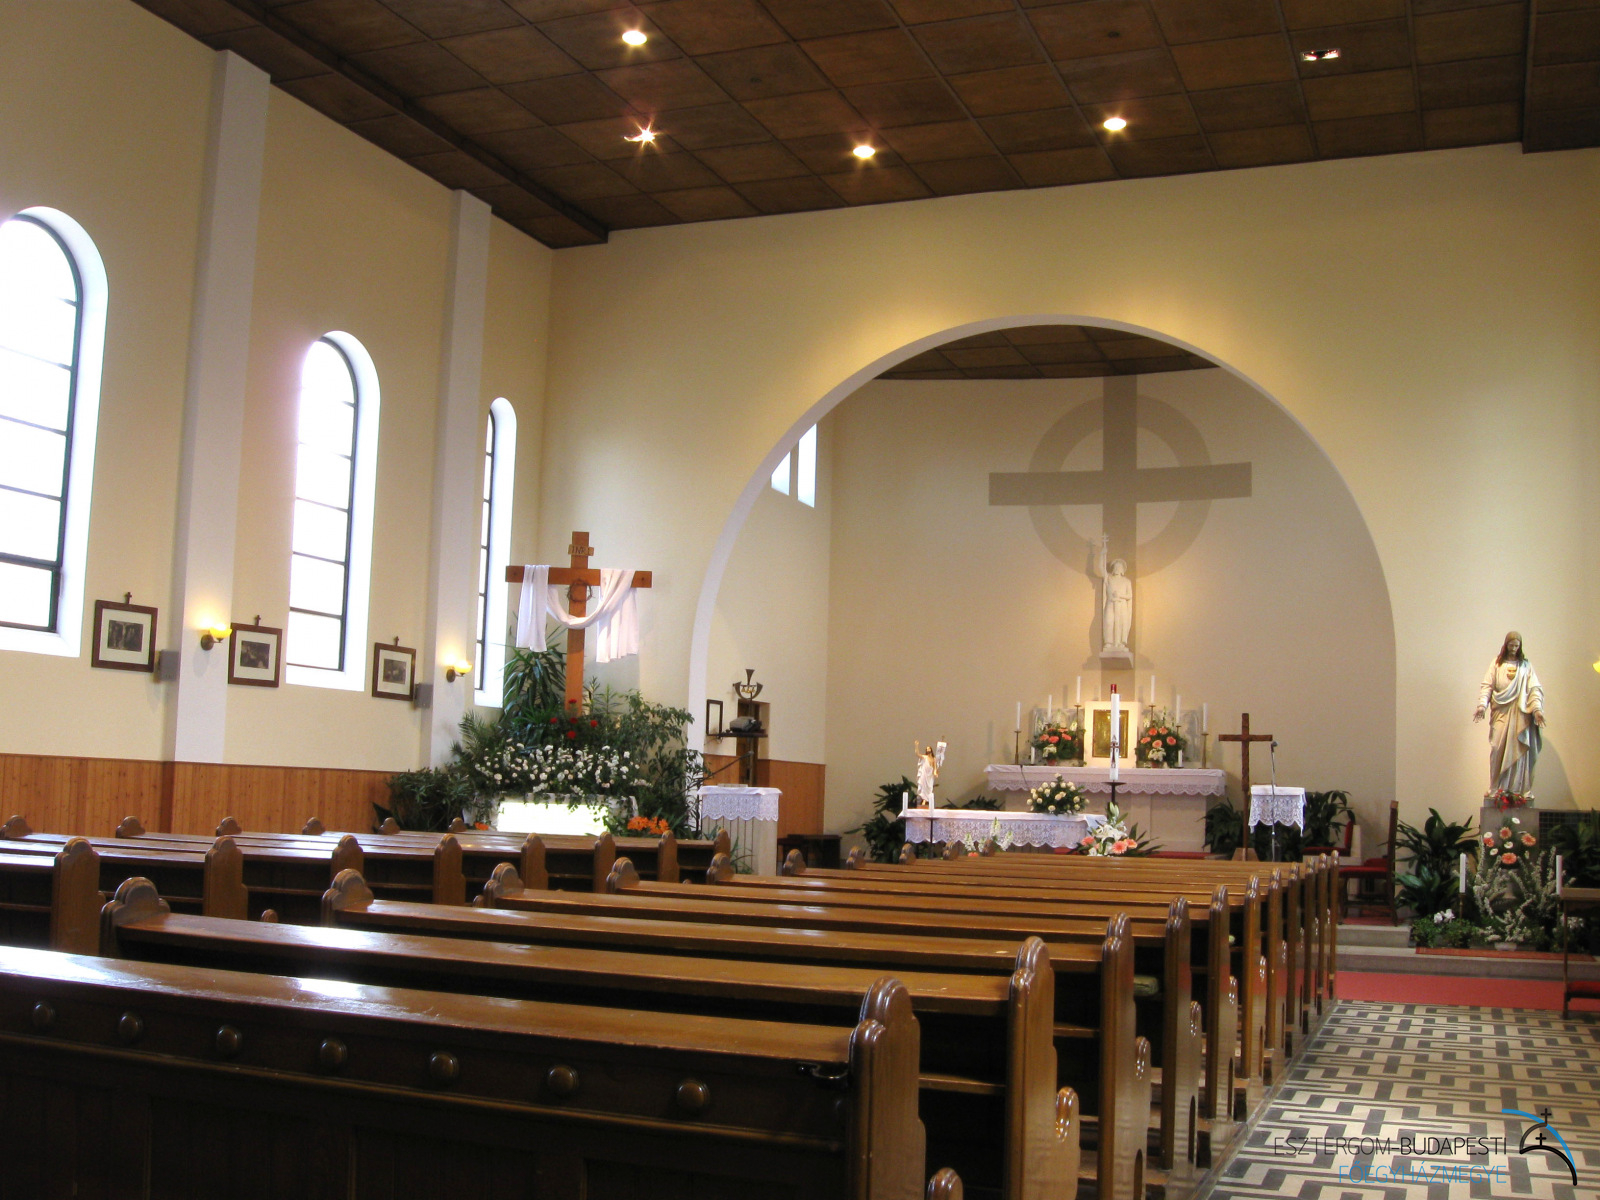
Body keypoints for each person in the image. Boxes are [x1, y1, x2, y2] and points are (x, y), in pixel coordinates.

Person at [1473, 631, 1545, 794]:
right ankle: (1495, 788)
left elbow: (1534, 689)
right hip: (1501, 712)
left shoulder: (1525, 666)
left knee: (1518, 750)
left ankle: (1516, 791)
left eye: (1516, 646)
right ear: (1505, 645)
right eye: (1511, 645)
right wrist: (1482, 706)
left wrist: (1537, 710)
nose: (1513, 648)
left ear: (1520, 647)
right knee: (1497, 748)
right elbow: (1487, 686)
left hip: (1520, 713)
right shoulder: (1496, 664)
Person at [1096, 534, 1133, 652]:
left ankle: (1120, 643)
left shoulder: (1126, 581)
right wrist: (1102, 554)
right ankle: (1109, 642)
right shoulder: (1109, 579)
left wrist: (1120, 596)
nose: (1117, 568)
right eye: (1115, 567)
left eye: (1119, 567)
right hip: (1111, 604)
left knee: (1121, 623)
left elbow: (1130, 595)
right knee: (1109, 622)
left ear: (1122, 570)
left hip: (1121, 605)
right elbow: (1101, 568)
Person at [914, 739, 946, 808]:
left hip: (930, 776)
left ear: (931, 750)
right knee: (923, 787)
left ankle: (926, 801)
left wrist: (935, 773)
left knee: (930, 788)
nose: (928, 750)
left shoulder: (934, 759)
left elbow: (935, 767)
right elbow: (917, 754)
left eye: (929, 749)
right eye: (927, 749)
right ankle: (924, 801)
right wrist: (916, 746)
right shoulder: (925, 757)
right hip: (924, 775)